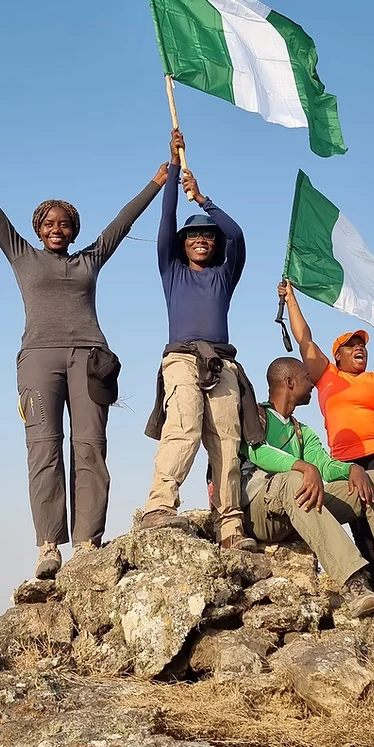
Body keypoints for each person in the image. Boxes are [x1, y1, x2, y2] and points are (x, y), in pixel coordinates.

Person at [0, 125, 167, 578]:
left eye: (64, 223)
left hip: (90, 360)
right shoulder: (22, 256)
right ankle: (49, 546)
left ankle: (88, 542)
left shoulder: (89, 260)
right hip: (38, 359)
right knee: (43, 449)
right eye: (49, 223)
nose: (57, 229)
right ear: (37, 230)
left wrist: (158, 181)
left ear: (75, 230)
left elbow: (123, 222)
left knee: (90, 447)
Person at [242, 358, 374, 612]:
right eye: (307, 378)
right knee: (296, 479)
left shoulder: (302, 431)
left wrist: (352, 469)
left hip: (296, 509)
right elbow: (258, 452)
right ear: (290, 382)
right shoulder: (257, 416)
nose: (312, 385)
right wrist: (303, 466)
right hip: (262, 513)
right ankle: (354, 584)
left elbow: (325, 466)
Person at [142, 130, 259, 550]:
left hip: (221, 362)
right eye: (193, 236)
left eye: (207, 235)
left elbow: (239, 236)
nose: (201, 239)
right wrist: (174, 168)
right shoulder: (172, 272)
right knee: (185, 424)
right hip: (181, 357)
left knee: (227, 439)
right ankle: (159, 505)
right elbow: (165, 221)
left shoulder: (223, 275)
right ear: (183, 244)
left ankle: (229, 524)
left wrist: (203, 200)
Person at [277, 279, 374, 522]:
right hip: (345, 463)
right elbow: (304, 339)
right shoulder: (326, 375)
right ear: (337, 355)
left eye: (362, 346)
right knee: (362, 528)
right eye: (351, 346)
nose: (359, 348)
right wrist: (291, 300)